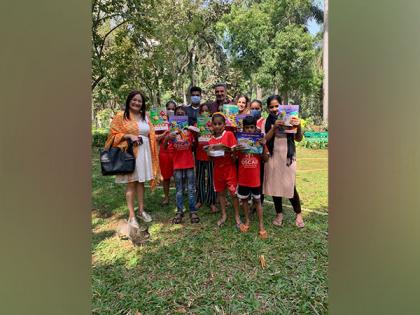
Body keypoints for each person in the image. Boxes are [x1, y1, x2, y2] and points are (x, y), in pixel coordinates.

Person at [105, 90, 160, 228]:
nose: (136, 103)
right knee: (131, 183)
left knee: (141, 182)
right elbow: (112, 135)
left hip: (145, 152)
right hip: (130, 153)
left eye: (139, 101)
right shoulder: (120, 116)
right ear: (129, 101)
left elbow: (150, 135)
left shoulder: (145, 117)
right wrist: (127, 136)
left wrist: (165, 135)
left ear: (142, 104)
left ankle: (141, 210)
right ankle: (131, 216)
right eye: (134, 100)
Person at [263, 95, 305, 228]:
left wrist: (298, 127)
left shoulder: (291, 118)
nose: (274, 109)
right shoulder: (268, 120)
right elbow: (265, 140)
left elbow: (298, 139)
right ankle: (279, 214)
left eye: (277, 106)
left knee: (289, 185)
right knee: (275, 185)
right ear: (268, 108)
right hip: (273, 155)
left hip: (287, 155)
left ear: (281, 105)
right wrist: (274, 127)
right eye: (271, 107)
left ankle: (298, 214)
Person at [234, 116, 269, 238]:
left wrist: (264, 146)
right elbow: (234, 159)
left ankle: (261, 225)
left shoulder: (260, 141)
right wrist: (234, 151)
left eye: (251, 127)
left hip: (255, 179)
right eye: (247, 127)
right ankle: (247, 221)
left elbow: (265, 159)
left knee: (258, 201)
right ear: (243, 128)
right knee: (244, 200)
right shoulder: (239, 142)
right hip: (243, 178)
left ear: (255, 128)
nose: (249, 130)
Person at [164, 106, 200, 224]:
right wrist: (167, 138)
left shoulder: (189, 132)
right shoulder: (171, 134)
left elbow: (194, 147)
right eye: (177, 114)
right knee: (179, 190)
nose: (180, 116)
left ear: (186, 116)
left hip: (189, 164)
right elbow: (165, 147)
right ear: (174, 116)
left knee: (191, 189)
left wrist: (195, 136)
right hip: (177, 166)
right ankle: (179, 211)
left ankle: (193, 211)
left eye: (182, 114)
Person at [206, 112, 241, 228]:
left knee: (234, 194)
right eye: (214, 124)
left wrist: (232, 151)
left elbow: (235, 154)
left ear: (224, 124)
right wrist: (209, 151)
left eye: (219, 124)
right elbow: (210, 159)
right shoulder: (211, 140)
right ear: (211, 125)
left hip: (229, 168)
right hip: (217, 170)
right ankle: (224, 215)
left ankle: (237, 216)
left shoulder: (229, 135)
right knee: (221, 194)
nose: (217, 126)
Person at [194, 104, 218, 213]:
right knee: (199, 179)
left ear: (210, 113)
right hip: (199, 155)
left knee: (212, 179)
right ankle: (200, 199)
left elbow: (218, 139)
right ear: (199, 113)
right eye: (202, 111)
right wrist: (196, 133)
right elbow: (193, 142)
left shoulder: (214, 125)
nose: (204, 113)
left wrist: (213, 132)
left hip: (211, 156)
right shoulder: (196, 125)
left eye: (206, 111)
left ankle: (212, 202)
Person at [156, 100, 176, 205]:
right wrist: (165, 134)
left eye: (173, 109)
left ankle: (179, 196)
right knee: (166, 176)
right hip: (164, 152)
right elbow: (156, 139)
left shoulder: (179, 122)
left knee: (178, 176)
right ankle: (166, 197)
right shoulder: (160, 122)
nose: (171, 111)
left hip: (176, 152)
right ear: (165, 110)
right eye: (168, 109)